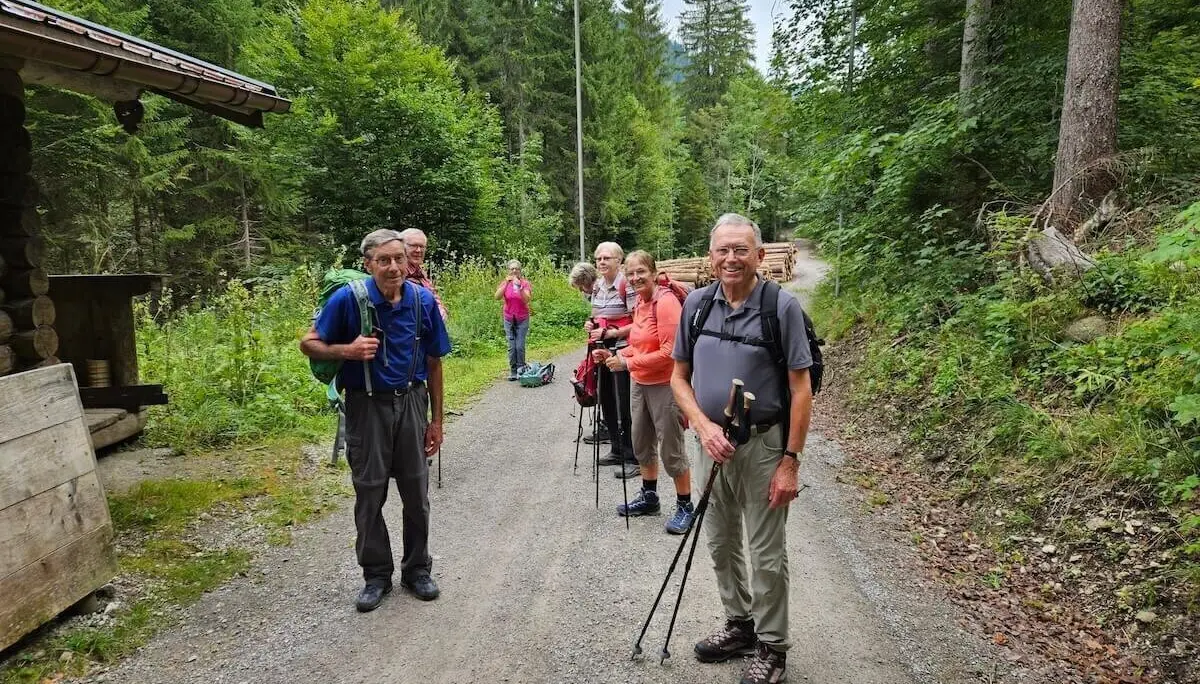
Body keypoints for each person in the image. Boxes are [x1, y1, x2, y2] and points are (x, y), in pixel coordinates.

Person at [670, 213, 814, 684]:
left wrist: (790, 462)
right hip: (710, 445)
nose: (731, 258)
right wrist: (702, 425)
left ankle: (773, 647)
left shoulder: (780, 308)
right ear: (711, 256)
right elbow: (678, 378)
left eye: (740, 250)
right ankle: (740, 624)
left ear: (758, 255)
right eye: (722, 250)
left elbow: (801, 388)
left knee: (766, 551)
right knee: (720, 543)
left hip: (763, 447)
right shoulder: (695, 305)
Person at [300, 229, 453, 612]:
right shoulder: (349, 299)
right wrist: (346, 350)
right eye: (383, 260)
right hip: (366, 407)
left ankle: (418, 570)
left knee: (417, 495)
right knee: (369, 494)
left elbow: (434, 361)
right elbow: (309, 342)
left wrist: (436, 420)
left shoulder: (422, 301)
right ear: (368, 264)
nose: (394, 267)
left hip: (413, 402)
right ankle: (376, 576)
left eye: (399, 259)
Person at [592, 250, 694, 534]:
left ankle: (685, 505)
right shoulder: (640, 303)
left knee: (671, 447)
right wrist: (613, 352)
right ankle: (650, 497)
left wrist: (626, 362)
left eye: (641, 272)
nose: (636, 278)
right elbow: (639, 343)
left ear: (653, 272)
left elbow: (670, 352)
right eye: (632, 273)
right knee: (641, 441)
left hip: (665, 384)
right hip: (640, 382)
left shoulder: (666, 302)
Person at [585, 242, 638, 478]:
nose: (602, 262)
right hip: (600, 349)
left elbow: (640, 322)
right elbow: (597, 315)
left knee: (624, 401)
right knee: (605, 397)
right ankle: (616, 448)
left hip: (623, 350)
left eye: (607, 258)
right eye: (598, 259)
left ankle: (632, 454)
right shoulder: (597, 287)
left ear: (619, 261)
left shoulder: (627, 286)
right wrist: (591, 324)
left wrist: (613, 333)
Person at [398, 228, 449, 322]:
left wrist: (441, 309)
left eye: (422, 247)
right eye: (413, 246)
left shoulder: (420, 271)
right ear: (401, 247)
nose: (418, 250)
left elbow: (434, 296)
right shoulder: (397, 272)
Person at [494, 259, 531, 380]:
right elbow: (497, 297)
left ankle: (521, 368)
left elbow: (526, 299)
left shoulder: (524, 283)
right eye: (512, 269)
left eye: (517, 269)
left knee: (519, 345)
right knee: (511, 346)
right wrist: (506, 283)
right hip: (509, 318)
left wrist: (519, 286)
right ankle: (513, 370)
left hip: (522, 318)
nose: (514, 271)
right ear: (508, 271)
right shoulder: (505, 283)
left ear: (520, 271)